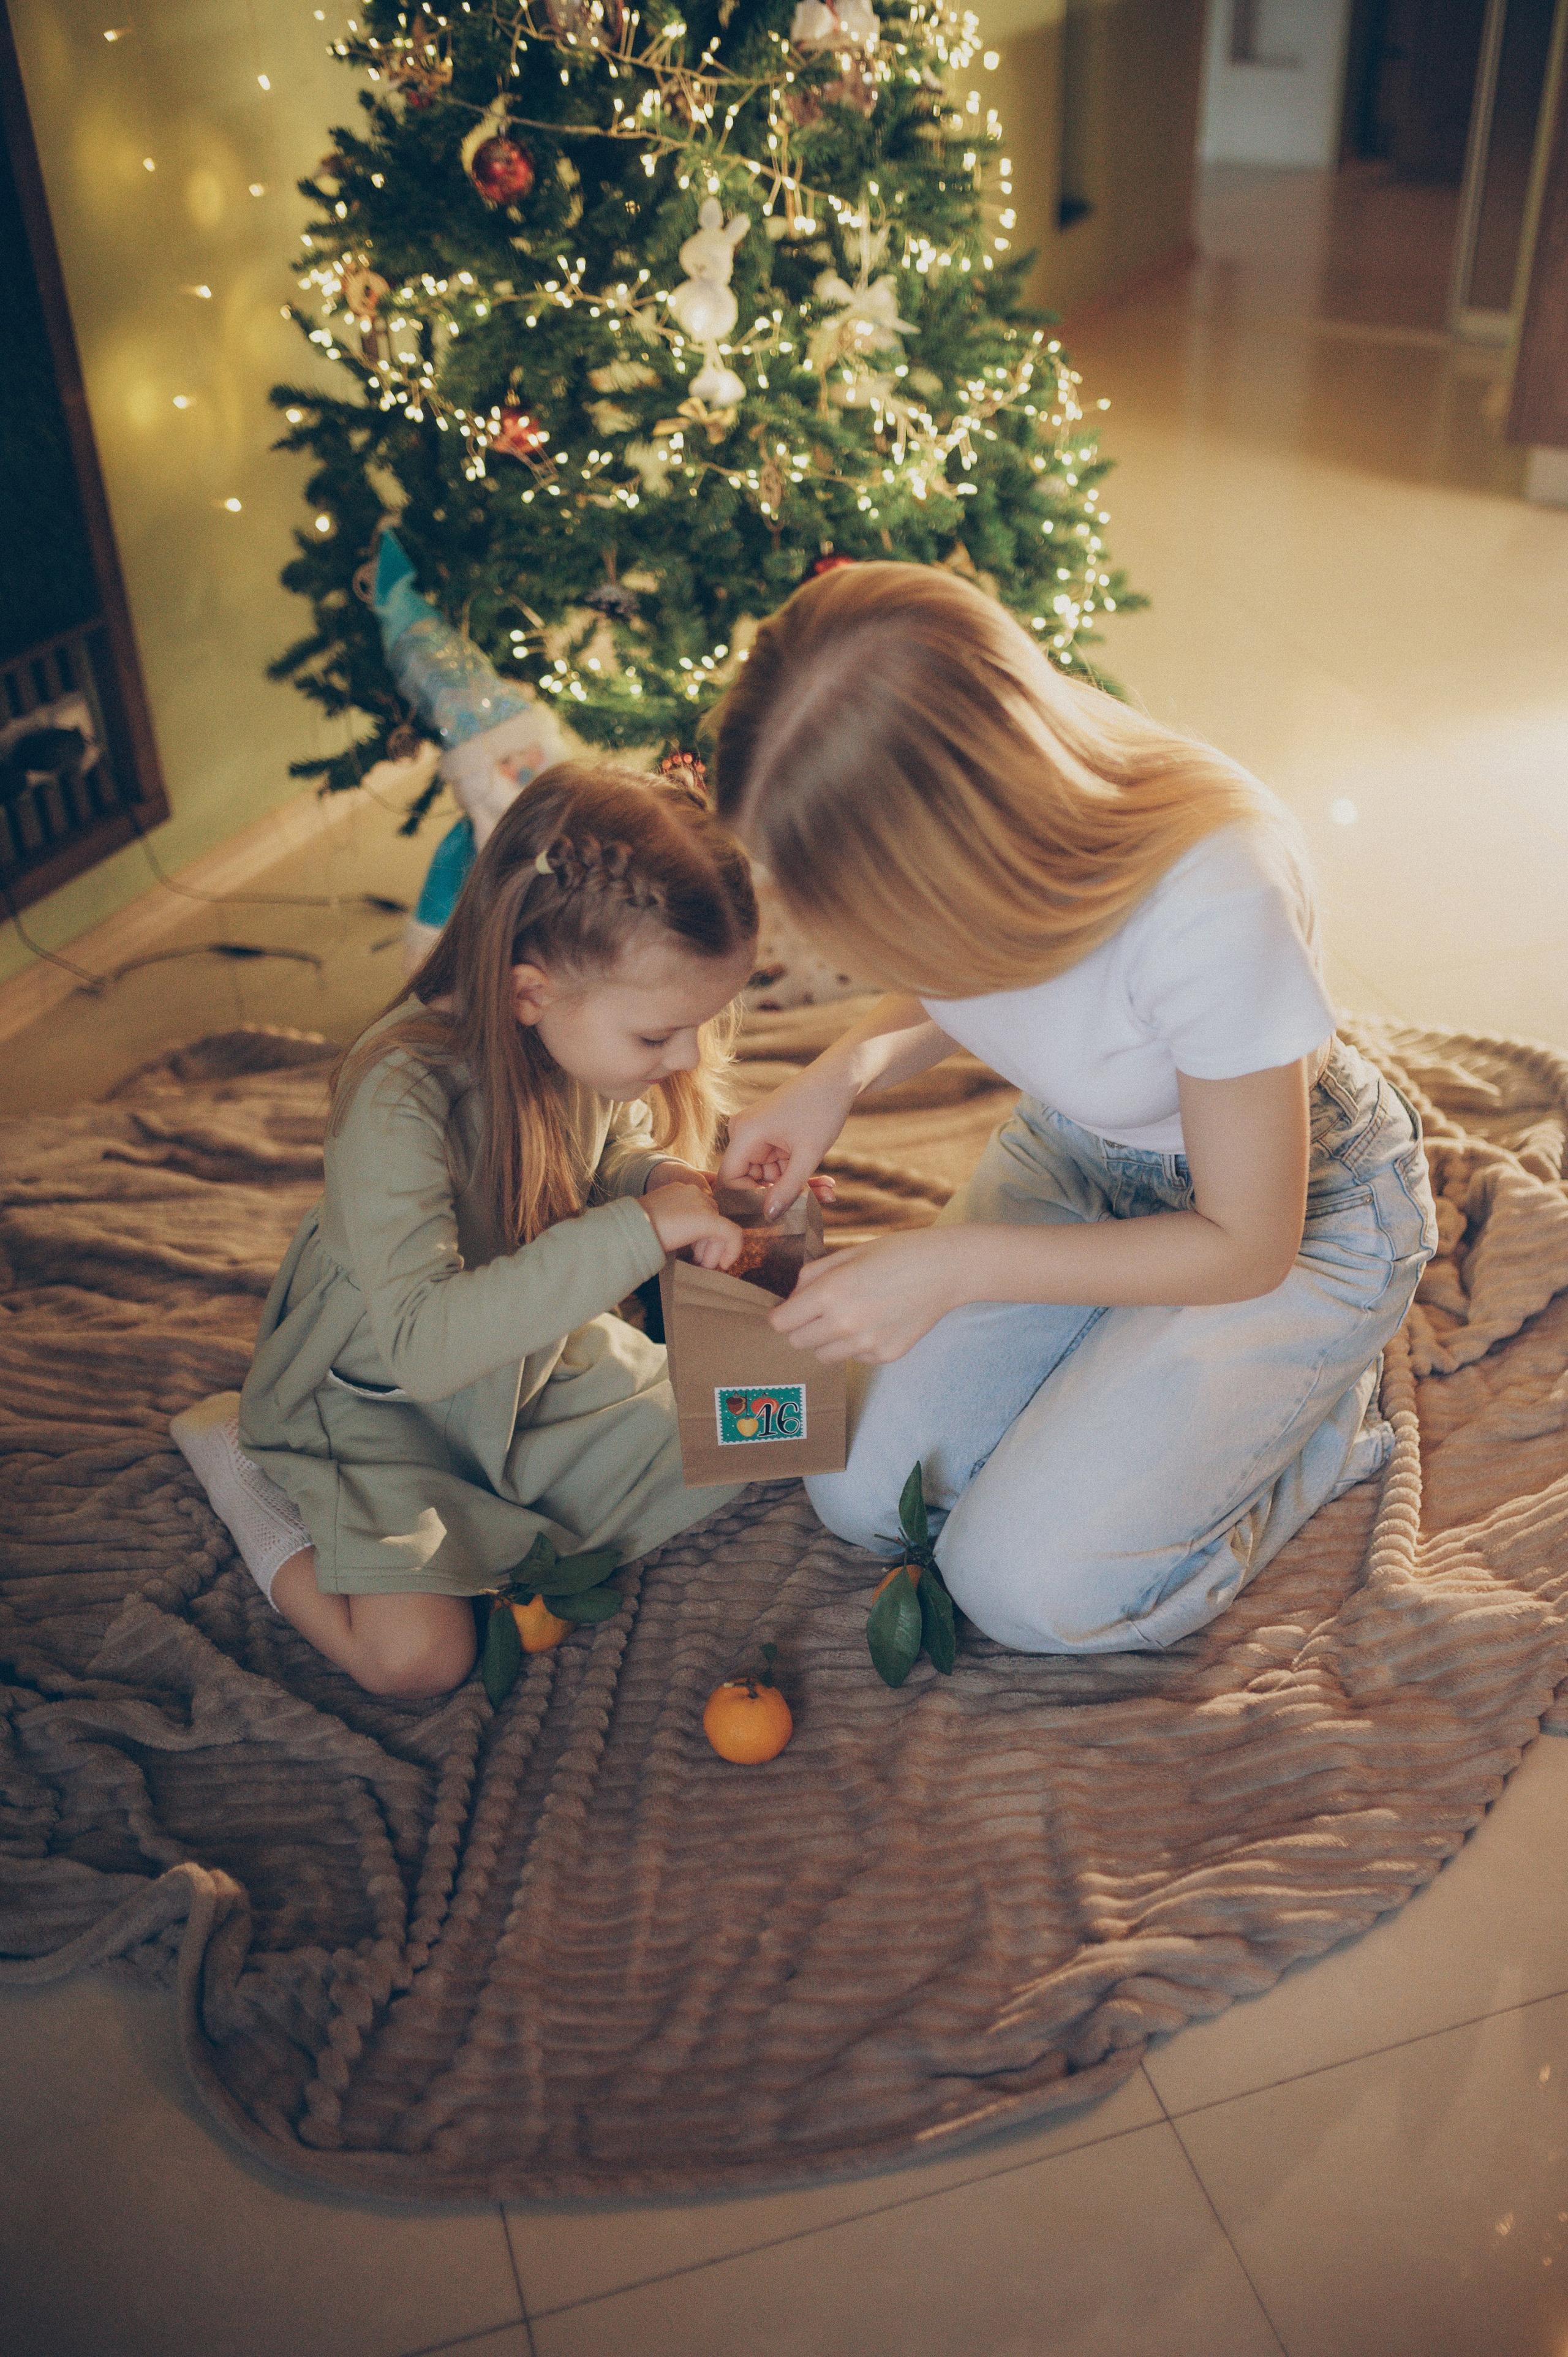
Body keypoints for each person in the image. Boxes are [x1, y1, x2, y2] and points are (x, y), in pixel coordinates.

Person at [714, 562, 1437, 1655]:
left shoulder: (1216, 894)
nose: (818, 940)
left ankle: (1328, 1424)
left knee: (1026, 1588)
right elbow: (975, 972)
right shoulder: (1011, 799)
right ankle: (1123, 1374)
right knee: (862, 1493)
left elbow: (1245, 1247)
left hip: (1289, 1220)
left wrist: (955, 1267)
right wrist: (840, 1077)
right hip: (1078, 1162)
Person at [172, 764, 756, 1697]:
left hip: (533, 1361)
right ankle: (236, 1458)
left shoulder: (566, 1034)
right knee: (416, 1660)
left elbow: (612, 1155)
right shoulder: (395, 1093)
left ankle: (510, 1509)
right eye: (657, 1038)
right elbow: (423, 1348)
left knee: (749, 1435)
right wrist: (643, 1229)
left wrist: (674, 1184)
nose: (684, 1058)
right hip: (385, 1399)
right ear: (530, 991)